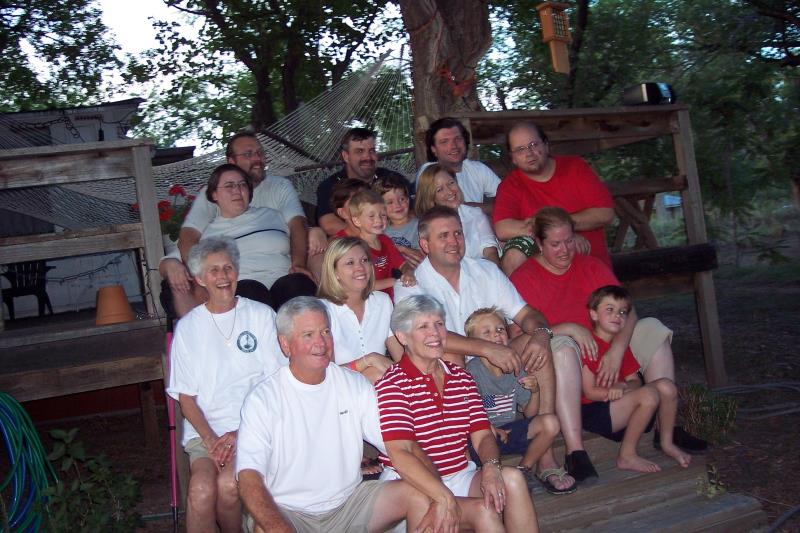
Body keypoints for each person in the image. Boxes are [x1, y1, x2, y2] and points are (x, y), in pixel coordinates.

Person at [510, 206, 706, 482]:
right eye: (555, 244)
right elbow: (518, 339)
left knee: (652, 328)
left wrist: (617, 351)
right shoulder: (523, 277)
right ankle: (575, 451)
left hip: (605, 351)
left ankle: (666, 427)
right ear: (539, 243)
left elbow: (628, 312)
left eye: (569, 241)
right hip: (566, 367)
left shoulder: (591, 266)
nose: (565, 250)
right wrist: (568, 328)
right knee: (564, 345)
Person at [236, 296, 433, 533]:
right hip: (290, 511)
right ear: (285, 344)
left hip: (350, 504)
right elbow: (248, 477)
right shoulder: (263, 399)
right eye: (308, 335)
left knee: (421, 495)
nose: (321, 342)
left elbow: (401, 445)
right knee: (264, 527)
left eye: (326, 331)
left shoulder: (354, 384)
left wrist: (442, 495)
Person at [375, 295, 539, 532]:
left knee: (512, 479)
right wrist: (442, 495)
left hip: (460, 475)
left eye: (439, 324)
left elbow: (483, 435)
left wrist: (491, 466)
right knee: (485, 512)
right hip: (414, 485)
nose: (435, 333)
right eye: (423, 327)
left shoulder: (461, 377)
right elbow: (402, 454)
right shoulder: (393, 384)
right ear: (402, 337)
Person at [166, 236, 287, 533]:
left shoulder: (260, 315)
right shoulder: (189, 327)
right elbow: (186, 397)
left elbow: (278, 384)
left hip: (254, 428)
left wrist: (238, 433)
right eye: (213, 270)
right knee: (200, 491)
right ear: (199, 279)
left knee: (228, 486)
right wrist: (211, 440)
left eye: (228, 268)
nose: (223, 276)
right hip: (205, 434)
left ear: (237, 271)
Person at [160, 164, 316, 315]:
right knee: (249, 291)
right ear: (214, 194)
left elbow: (301, 233)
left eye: (242, 185)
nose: (237, 190)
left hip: (284, 281)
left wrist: (317, 232)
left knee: (297, 284)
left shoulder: (274, 216)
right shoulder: (209, 234)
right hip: (243, 287)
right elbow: (179, 255)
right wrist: (170, 263)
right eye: (229, 186)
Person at [177, 132, 320, 281]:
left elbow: (297, 223)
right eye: (248, 154)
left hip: (280, 269)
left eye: (260, 153)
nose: (257, 159)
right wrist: (199, 275)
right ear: (231, 161)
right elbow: (189, 235)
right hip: (238, 277)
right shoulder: (215, 192)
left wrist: (298, 265)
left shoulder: (280, 186)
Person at [465, 307, 576, 495]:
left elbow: (530, 413)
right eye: (487, 332)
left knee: (550, 422)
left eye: (500, 329)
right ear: (473, 343)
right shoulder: (472, 372)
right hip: (481, 440)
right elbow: (467, 413)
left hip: (509, 433)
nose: (496, 334)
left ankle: (524, 470)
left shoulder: (516, 366)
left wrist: (535, 391)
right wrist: (489, 428)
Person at [581, 285, 691, 472]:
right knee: (648, 395)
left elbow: (635, 380)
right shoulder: (588, 346)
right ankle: (627, 455)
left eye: (622, 312)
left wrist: (622, 386)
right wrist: (611, 392)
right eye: (610, 310)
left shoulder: (619, 347)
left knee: (667, 386)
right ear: (594, 314)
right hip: (595, 412)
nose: (617, 316)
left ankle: (667, 442)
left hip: (619, 404)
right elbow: (588, 391)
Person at [493, 122, 615, 275]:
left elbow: (605, 213)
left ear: (546, 145)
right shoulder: (510, 185)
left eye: (533, 144)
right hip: (545, 271)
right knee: (513, 256)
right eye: (520, 149)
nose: (529, 153)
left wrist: (555, 226)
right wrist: (562, 234)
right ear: (513, 158)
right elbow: (502, 228)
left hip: (589, 264)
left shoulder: (575, 167)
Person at [317, 237, 403, 383]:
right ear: (335, 272)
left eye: (364, 260)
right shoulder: (322, 311)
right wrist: (368, 361)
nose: (360, 268)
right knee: (376, 374)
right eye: (350, 263)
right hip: (340, 387)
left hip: (381, 383)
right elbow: (324, 373)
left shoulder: (382, 301)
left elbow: (400, 359)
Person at [315, 127, 408, 236]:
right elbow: (329, 224)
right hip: (355, 243)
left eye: (372, 151)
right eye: (359, 151)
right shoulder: (330, 185)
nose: (367, 157)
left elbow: (415, 208)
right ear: (346, 156)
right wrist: (374, 238)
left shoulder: (392, 178)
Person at [415, 163, 500, 266]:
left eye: (451, 183)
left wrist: (493, 273)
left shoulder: (475, 214)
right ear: (431, 198)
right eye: (440, 190)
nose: (449, 191)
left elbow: (491, 252)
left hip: (483, 272)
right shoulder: (428, 227)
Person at [336, 190, 415, 299]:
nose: (378, 220)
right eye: (371, 216)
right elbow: (358, 284)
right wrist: (393, 281)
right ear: (357, 221)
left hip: (389, 299)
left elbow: (402, 264)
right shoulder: (355, 248)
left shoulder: (385, 241)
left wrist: (408, 272)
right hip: (366, 300)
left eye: (383, 215)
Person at [417, 117, 501, 215]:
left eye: (458, 139)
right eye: (444, 141)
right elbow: (451, 209)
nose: (453, 146)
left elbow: (508, 197)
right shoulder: (428, 172)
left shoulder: (477, 169)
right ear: (433, 149)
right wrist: (491, 208)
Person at [373, 174, 423, 268]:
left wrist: (400, 249)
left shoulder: (420, 226)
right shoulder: (380, 231)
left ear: (408, 200)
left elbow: (423, 257)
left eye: (402, 199)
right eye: (390, 202)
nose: (397, 205)